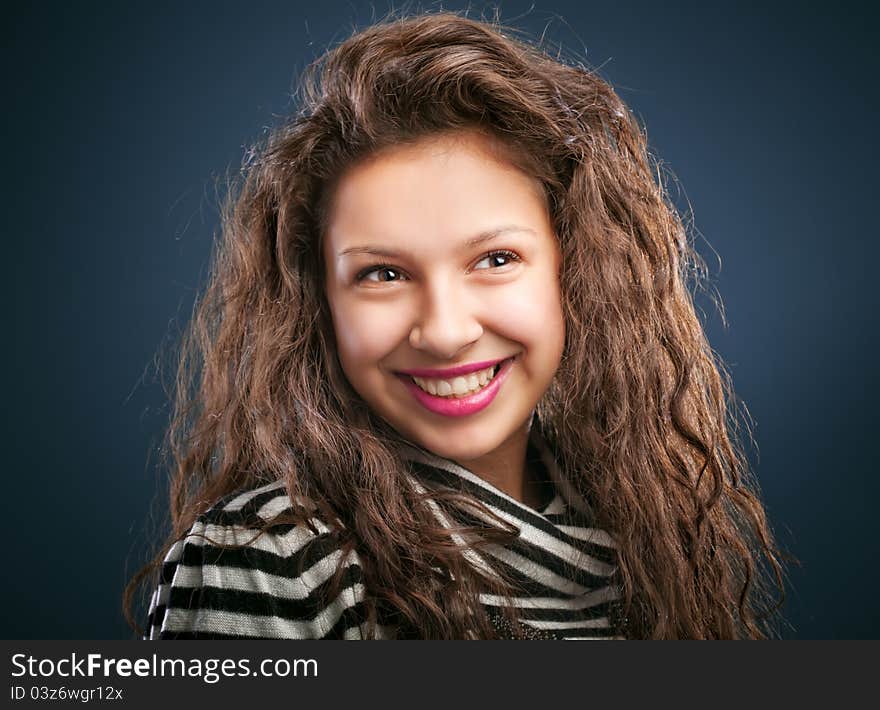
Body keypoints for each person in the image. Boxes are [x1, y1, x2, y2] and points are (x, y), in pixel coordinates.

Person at [126, 11, 784, 640]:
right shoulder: (268, 565)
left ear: (575, 272)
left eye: (496, 259)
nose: (444, 332)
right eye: (383, 274)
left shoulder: (648, 541)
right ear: (318, 301)